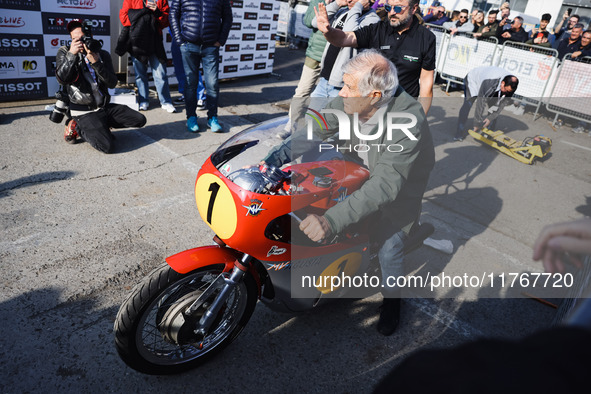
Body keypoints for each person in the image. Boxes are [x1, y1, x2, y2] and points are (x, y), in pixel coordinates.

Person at [271, 50, 434, 336]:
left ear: (373, 96)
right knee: (314, 194)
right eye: (343, 84)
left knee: (389, 244)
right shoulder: (351, 99)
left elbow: (386, 184)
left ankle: (392, 301)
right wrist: (271, 161)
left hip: (399, 182)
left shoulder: (408, 118)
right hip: (358, 162)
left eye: (348, 87)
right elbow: (315, 129)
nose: (341, 92)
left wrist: (331, 221)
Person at [314, 0, 436, 114]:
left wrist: (420, 119)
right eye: (389, 7)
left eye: (398, 8)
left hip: (402, 111)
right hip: (371, 110)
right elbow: (344, 39)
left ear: (413, 8)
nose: (392, 12)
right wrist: (328, 31)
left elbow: (426, 83)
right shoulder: (378, 29)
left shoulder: (427, 38)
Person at [56, 20, 146, 153]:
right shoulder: (65, 52)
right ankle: (76, 126)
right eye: (74, 39)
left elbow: (112, 83)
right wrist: (72, 56)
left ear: (90, 36)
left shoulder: (102, 54)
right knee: (107, 146)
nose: (79, 42)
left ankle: (101, 126)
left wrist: (96, 63)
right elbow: (62, 80)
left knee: (139, 119)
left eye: (81, 38)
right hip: (83, 111)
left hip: (102, 107)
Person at [170, 0, 232, 133]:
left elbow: (227, 17)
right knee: (190, 84)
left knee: (212, 84)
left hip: (210, 47)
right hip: (188, 45)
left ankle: (212, 118)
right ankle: (191, 117)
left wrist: (221, 40)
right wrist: (179, 40)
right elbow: (173, 14)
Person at [311, 0, 380, 98]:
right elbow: (315, 23)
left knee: (333, 113)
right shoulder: (344, 12)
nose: (349, 0)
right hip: (324, 80)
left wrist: (358, 6)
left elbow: (349, 33)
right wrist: (337, 4)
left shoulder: (372, 19)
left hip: (342, 85)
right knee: (312, 113)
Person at [119, 0, 176, 113]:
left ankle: (166, 101)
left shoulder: (161, 0)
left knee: (160, 73)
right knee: (140, 74)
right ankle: (143, 100)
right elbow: (124, 18)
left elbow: (166, 21)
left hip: (155, 41)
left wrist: (157, 12)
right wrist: (142, 15)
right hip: (137, 41)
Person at [454, 66, 518, 141]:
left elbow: (502, 104)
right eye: (505, 90)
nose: (505, 93)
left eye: (508, 92)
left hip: (488, 82)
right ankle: (458, 133)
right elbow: (481, 103)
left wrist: (490, 118)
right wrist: (477, 123)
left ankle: (489, 134)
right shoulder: (490, 83)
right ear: (503, 83)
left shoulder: (511, 86)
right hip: (473, 80)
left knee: (493, 108)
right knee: (468, 104)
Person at [293, 0, 330, 99]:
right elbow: (308, 21)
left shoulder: (347, 3)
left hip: (335, 57)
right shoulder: (318, 1)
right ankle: (294, 115)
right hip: (315, 55)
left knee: (328, 95)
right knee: (302, 92)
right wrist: (325, 4)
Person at [169, 27, 206, 108]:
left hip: (190, 32)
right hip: (176, 35)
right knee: (179, 68)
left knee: (192, 67)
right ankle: (185, 95)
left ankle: (199, 97)